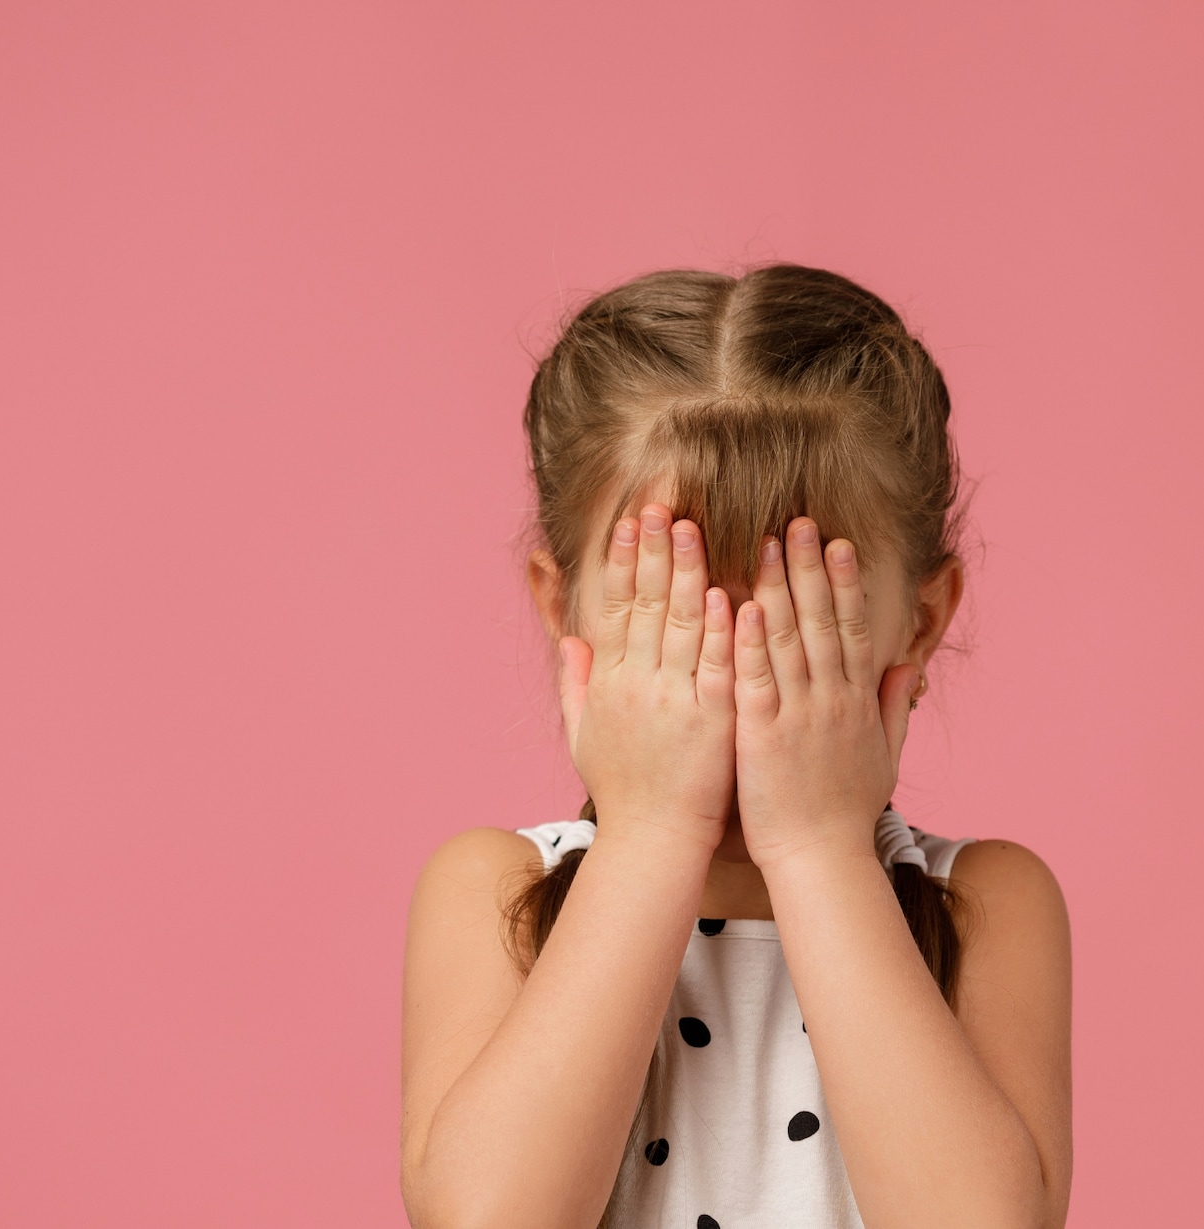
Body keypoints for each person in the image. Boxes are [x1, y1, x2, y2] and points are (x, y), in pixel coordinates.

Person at [399, 264, 1073, 1229]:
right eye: (670, 621)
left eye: (797, 623)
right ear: (563, 608)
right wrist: (650, 834)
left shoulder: (987, 903)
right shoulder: (495, 889)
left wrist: (819, 846)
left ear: (920, 624)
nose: (732, 679)